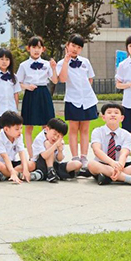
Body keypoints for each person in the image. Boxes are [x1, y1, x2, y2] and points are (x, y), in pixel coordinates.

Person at [87, 103, 131, 187]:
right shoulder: (97, 131)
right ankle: (130, 179)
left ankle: (107, 177)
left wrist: (119, 166)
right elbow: (97, 150)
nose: (113, 115)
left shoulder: (126, 134)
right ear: (103, 117)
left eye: (116, 113)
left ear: (122, 118)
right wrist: (112, 163)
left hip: (121, 164)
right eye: (109, 112)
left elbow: (124, 154)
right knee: (91, 164)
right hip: (103, 163)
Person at [57, 35, 97, 171]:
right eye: (73, 45)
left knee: (85, 130)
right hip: (72, 100)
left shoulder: (85, 62)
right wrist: (66, 62)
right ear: (67, 45)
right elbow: (62, 79)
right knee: (73, 129)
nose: (75, 49)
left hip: (88, 100)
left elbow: (90, 78)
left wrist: (85, 91)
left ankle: (84, 157)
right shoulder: (61, 63)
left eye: (79, 47)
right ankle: (75, 157)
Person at [17, 36, 58, 154]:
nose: (36, 50)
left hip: (44, 93)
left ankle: (46, 153)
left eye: (39, 47)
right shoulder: (23, 65)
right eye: (34, 47)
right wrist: (27, 86)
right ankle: (31, 156)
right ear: (28, 48)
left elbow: (55, 81)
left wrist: (54, 69)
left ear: (43, 49)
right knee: (28, 126)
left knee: (46, 125)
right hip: (30, 95)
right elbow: (18, 83)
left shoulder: (47, 64)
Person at [30, 118, 82, 183]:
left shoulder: (60, 141)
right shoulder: (40, 138)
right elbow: (44, 156)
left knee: (78, 164)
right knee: (48, 143)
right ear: (47, 129)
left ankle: (50, 174)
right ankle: (49, 172)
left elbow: (59, 159)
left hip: (55, 164)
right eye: (54, 134)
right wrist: (55, 145)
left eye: (58, 136)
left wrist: (60, 151)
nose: (55, 137)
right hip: (40, 163)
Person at [0, 111, 34, 184]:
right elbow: (5, 157)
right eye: (17, 129)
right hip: (2, 163)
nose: (20, 131)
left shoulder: (19, 136)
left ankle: (7, 175)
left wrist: (25, 169)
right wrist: (12, 172)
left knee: (31, 164)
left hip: (13, 162)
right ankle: (16, 175)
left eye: (21, 128)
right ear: (6, 129)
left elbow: (21, 152)